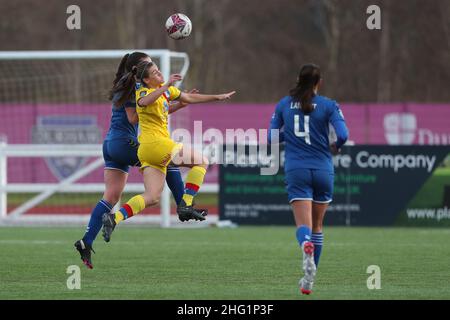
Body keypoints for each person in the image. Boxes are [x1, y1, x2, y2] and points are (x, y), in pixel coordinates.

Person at [74, 52, 199, 269]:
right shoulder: (135, 86)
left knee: (111, 196)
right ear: (139, 66)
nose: (153, 65)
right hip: (124, 142)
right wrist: (160, 96)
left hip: (112, 144)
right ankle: (183, 205)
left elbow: (155, 111)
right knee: (165, 159)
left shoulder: (126, 83)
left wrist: (179, 102)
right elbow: (133, 117)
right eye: (149, 62)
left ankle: (86, 240)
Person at [101, 60, 235, 242]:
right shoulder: (144, 91)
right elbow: (143, 102)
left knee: (152, 196)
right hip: (157, 144)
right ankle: (186, 204)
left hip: (148, 151)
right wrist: (166, 85)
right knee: (202, 160)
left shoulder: (166, 92)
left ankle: (114, 218)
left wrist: (217, 97)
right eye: (155, 73)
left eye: (158, 71)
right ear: (147, 80)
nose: (160, 74)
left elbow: (189, 97)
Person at [268, 64, 348, 295]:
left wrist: (288, 134)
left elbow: (271, 137)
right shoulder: (329, 105)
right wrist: (336, 146)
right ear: (318, 82)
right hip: (323, 169)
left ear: (297, 79)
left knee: (304, 227)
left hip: (297, 169)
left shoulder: (284, 104)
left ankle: (305, 245)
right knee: (318, 227)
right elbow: (343, 135)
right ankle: (309, 281)